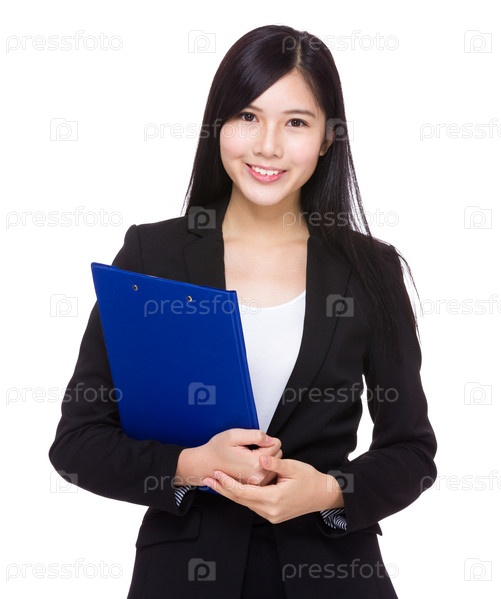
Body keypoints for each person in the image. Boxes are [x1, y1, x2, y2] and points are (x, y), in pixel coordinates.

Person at [49, 24, 437, 598]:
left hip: (333, 577)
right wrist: (190, 466)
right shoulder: (153, 256)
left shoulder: (371, 270)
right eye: (248, 116)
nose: (268, 146)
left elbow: (412, 451)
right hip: (184, 578)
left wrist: (329, 492)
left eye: (296, 122)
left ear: (327, 138)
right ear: (219, 125)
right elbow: (78, 443)